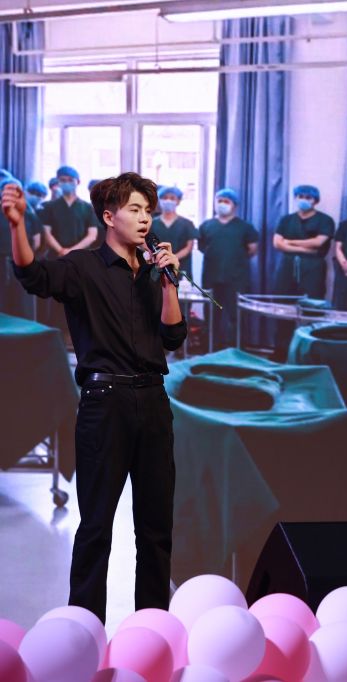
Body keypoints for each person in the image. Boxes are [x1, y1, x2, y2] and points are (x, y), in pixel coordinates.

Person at [2, 173, 185, 622]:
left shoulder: (155, 273)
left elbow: (173, 336)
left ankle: (152, 629)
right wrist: (17, 225)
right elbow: (32, 274)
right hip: (105, 402)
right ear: (108, 216)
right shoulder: (83, 267)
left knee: (156, 529)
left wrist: (169, 284)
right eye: (135, 210)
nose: (145, 219)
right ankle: (85, 630)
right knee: (96, 528)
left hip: (153, 402)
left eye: (148, 211)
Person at [198, 188, 258, 349]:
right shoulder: (206, 226)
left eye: (226, 201)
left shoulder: (245, 227)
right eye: (219, 201)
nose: (222, 204)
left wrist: (234, 259)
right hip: (211, 276)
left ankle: (237, 348)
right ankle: (210, 347)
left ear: (234, 205)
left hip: (236, 277)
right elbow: (202, 247)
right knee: (211, 312)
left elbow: (252, 249)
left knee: (236, 313)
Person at [272, 184, 335, 300]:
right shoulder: (286, 220)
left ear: (315, 201)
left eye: (308, 197)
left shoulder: (325, 220)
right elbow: (277, 243)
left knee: (312, 301)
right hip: (288, 266)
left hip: (313, 268)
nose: (303, 200)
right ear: (295, 198)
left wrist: (289, 242)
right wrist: (306, 250)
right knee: (283, 300)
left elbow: (317, 243)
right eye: (300, 196)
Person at [0, 177, 41, 318]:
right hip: (5, 262)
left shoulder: (29, 214)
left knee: (23, 303)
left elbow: (37, 241)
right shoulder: (27, 214)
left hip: (23, 263)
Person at [38, 165, 99, 256]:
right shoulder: (49, 207)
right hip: (56, 256)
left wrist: (71, 251)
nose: (67, 183)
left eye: (70, 180)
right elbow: (46, 233)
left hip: (80, 256)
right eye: (63, 180)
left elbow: (92, 236)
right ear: (58, 182)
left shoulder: (87, 208)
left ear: (78, 182)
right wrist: (60, 250)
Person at [150, 186, 198, 277]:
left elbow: (188, 247)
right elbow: (145, 244)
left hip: (181, 267)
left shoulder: (187, 224)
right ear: (159, 200)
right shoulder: (152, 223)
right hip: (158, 266)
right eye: (165, 198)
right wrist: (158, 258)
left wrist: (172, 258)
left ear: (178, 201)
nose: (168, 201)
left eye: (172, 198)